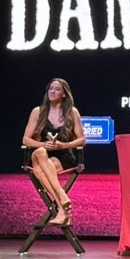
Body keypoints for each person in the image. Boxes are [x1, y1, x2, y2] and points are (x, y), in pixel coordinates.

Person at [21, 77, 85, 226]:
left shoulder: (71, 112)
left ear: (64, 94)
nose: (52, 91)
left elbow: (82, 140)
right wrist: (44, 144)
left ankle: (61, 208)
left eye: (57, 89)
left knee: (39, 170)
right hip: (43, 153)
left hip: (63, 156)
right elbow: (25, 139)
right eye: (50, 88)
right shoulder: (38, 111)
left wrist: (63, 145)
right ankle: (62, 198)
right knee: (40, 152)